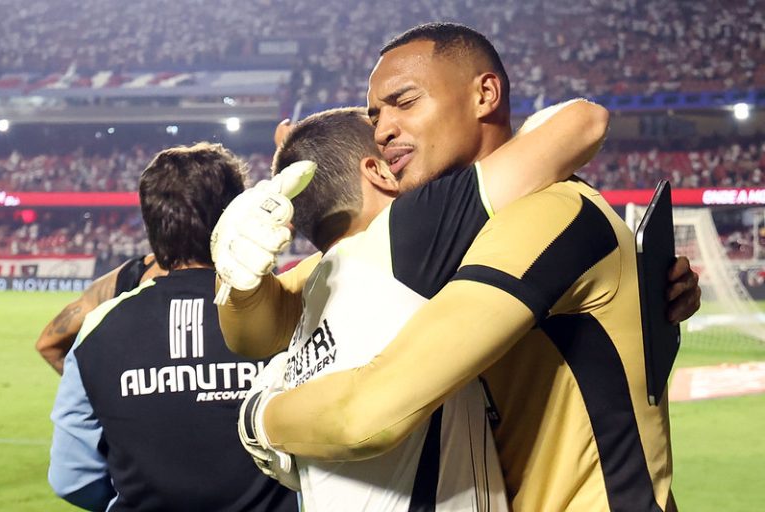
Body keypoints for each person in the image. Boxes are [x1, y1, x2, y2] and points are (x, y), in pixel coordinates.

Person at [218, 23, 698, 511]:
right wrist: (237, 277)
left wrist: (260, 419)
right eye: (376, 114)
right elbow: (262, 326)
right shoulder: (427, 242)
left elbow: (369, 412)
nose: (382, 130)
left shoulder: (552, 212)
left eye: (404, 103)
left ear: (485, 94)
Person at [236, 100, 604, 511]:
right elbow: (584, 123)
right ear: (377, 172)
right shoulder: (405, 231)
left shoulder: (313, 295)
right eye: (387, 153)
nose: (396, 148)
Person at [48, 143, 297, 512]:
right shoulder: (286, 310)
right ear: (233, 217)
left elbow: (71, 478)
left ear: (152, 225)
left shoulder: (98, 327)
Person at [36, 253, 166, 374]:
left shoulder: (126, 278)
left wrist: (98, 391)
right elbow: (47, 346)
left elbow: (48, 346)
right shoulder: (129, 277)